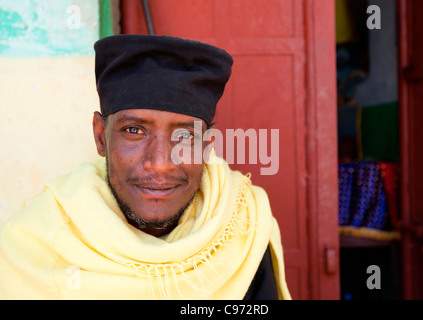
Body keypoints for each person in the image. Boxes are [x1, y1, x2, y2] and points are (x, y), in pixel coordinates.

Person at [0, 34, 291, 300]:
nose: (160, 164)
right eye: (134, 131)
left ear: (207, 146)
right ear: (101, 136)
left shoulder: (240, 227)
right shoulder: (32, 244)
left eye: (185, 135)